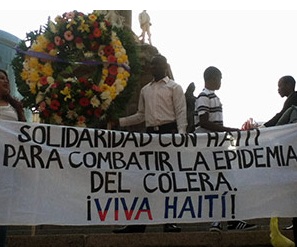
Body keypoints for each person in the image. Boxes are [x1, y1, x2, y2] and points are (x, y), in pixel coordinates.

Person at [112, 54, 187, 233]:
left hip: (168, 135)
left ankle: (169, 221)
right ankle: (138, 223)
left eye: (156, 64)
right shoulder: (145, 90)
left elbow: (181, 112)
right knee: (143, 179)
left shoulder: (174, 87)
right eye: (151, 65)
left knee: (167, 180)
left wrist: (180, 136)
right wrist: (120, 122)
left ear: (164, 65)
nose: (152, 68)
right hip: (149, 137)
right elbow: (141, 115)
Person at [194, 66, 257, 232]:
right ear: (213, 78)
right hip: (209, 148)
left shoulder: (212, 96)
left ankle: (232, 220)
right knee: (218, 183)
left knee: (227, 182)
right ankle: (217, 221)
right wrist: (230, 130)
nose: (220, 82)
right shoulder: (204, 96)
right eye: (220, 78)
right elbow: (204, 122)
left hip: (217, 146)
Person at [262, 75, 297, 243]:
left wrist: (263, 129)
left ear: (289, 85)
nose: (278, 89)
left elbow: (281, 117)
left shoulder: (294, 99)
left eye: (280, 86)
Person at [0, 68, 27, 247]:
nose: (5, 81)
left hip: (8, 163)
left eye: (6, 79)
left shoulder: (15, 107)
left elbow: (25, 132)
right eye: (0, 79)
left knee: (2, 208)